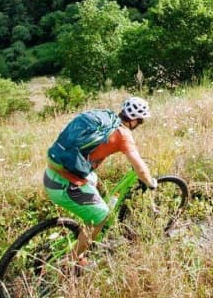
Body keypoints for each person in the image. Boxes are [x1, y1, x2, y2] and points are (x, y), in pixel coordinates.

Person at [43, 96, 157, 267]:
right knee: (102, 215)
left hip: (52, 171)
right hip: (64, 186)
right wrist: (151, 183)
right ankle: (74, 260)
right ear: (134, 121)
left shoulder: (107, 118)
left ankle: (88, 220)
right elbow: (140, 169)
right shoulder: (123, 135)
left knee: (96, 181)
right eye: (140, 122)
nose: (139, 126)